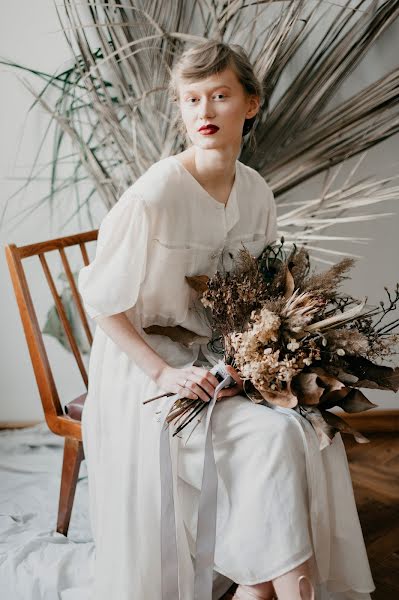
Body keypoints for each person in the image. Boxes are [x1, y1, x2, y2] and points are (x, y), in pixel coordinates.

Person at [77, 40, 375, 600]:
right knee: (270, 440)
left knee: (307, 431)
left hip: (219, 363)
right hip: (144, 371)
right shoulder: (154, 196)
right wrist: (163, 375)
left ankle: (261, 587)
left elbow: (255, 296)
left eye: (220, 95)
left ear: (251, 103)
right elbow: (102, 307)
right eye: (191, 100)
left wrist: (256, 361)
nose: (205, 112)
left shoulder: (256, 191)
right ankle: (280, 589)